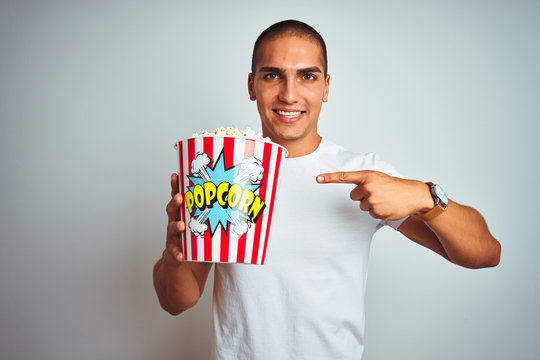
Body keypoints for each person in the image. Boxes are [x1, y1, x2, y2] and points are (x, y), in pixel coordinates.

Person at [153, 20, 501, 359]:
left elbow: (486, 254)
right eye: (272, 75)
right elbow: (176, 302)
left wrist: (425, 197)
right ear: (251, 85)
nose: (289, 94)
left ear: (326, 87)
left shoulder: (362, 174)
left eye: (307, 76)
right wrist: (175, 253)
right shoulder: (221, 171)